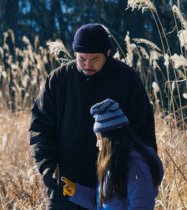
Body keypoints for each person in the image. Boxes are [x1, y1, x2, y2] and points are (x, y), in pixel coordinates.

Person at [29, 23, 157, 209]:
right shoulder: (58, 80)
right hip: (67, 184)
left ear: (107, 53)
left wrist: (141, 172)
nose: (87, 64)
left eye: (94, 59)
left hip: (114, 184)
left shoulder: (127, 79)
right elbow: (40, 127)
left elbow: (143, 132)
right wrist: (47, 165)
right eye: (82, 59)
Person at [61, 99, 163, 209]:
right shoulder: (114, 164)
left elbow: (141, 206)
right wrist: (77, 192)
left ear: (110, 139)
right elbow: (102, 205)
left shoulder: (136, 167)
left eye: (99, 138)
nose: (97, 144)